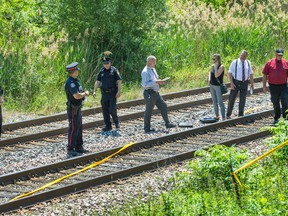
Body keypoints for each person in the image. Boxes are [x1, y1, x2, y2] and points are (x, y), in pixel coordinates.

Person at [141, 55, 176, 133]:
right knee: (149, 110)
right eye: (154, 61)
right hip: (149, 93)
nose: (155, 63)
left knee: (163, 106)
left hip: (156, 93)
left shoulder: (153, 69)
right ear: (150, 62)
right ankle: (147, 128)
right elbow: (144, 84)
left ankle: (167, 123)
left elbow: (154, 80)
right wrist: (156, 82)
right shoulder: (145, 71)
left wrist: (160, 81)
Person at [64, 62, 89, 157]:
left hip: (77, 108)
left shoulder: (75, 81)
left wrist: (83, 92)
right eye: (76, 70)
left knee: (79, 127)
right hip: (73, 108)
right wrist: (85, 94)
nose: (77, 72)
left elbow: (79, 92)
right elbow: (76, 95)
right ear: (73, 72)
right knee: (73, 128)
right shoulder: (71, 83)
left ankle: (79, 146)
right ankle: (70, 148)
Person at [93, 57, 122, 131]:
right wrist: (94, 91)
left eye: (107, 63)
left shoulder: (114, 70)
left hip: (112, 94)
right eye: (104, 63)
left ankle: (116, 122)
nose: (106, 65)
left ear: (110, 63)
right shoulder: (101, 71)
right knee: (105, 110)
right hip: (104, 94)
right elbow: (98, 81)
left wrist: (119, 91)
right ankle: (108, 126)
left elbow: (119, 80)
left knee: (112, 109)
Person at [262, 48, 288, 124]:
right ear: (275, 54)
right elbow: (264, 75)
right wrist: (264, 86)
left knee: (285, 101)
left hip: (283, 86)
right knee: (275, 102)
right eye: (278, 55)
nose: (280, 56)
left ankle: (285, 118)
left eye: (281, 55)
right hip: (273, 86)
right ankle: (277, 118)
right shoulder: (270, 63)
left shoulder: (286, 63)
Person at [226, 50, 254, 118]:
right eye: (241, 55)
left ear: (246, 56)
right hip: (236, 82)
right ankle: (228, 114)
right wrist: (231, 83)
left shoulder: (248, 62)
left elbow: (250, 73)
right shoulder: (235, 62)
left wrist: (252, 83)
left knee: (243, 99)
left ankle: (241, 114)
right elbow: (229, 72)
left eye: (244, 56)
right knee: (232, 98)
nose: (242, 57)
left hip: (245, 82)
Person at [208, 54, 226, 121]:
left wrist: (215, 67)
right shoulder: (212, 66)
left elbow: (216, 75)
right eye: (213, 59)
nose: (213, 60)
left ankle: (223, 116)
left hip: (218, 86)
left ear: (218, 60)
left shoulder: (221, 67)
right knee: (214, 101)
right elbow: (210, 72)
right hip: (212, 85)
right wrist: (209, 79)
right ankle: (217, 115)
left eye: (214, 59)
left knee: (220, 102)